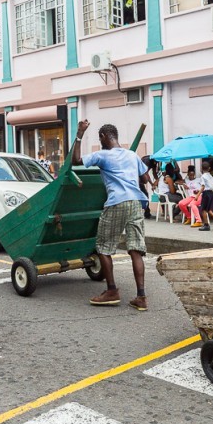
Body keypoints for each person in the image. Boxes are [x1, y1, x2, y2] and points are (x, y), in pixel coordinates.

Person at [72, 120, 150, 311]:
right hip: (136, 202)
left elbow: (76, 161)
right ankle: (141, 297)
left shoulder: (103, 155)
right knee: (136, 250)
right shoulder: (132, 155)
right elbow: (145, 178)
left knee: (103, 247)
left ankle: (112, 291)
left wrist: (80, 134)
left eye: (100, 139)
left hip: (117, 202)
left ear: (103, 137)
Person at [193, 161, 213, 231]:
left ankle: (206, 225)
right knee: (207, 208)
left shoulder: (203, 176)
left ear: (201, 168)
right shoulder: (211, 176)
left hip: (206, 193)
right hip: (211, 193)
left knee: (203, 210)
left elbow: (203, 187)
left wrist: (197, 195)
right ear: (209, 168)